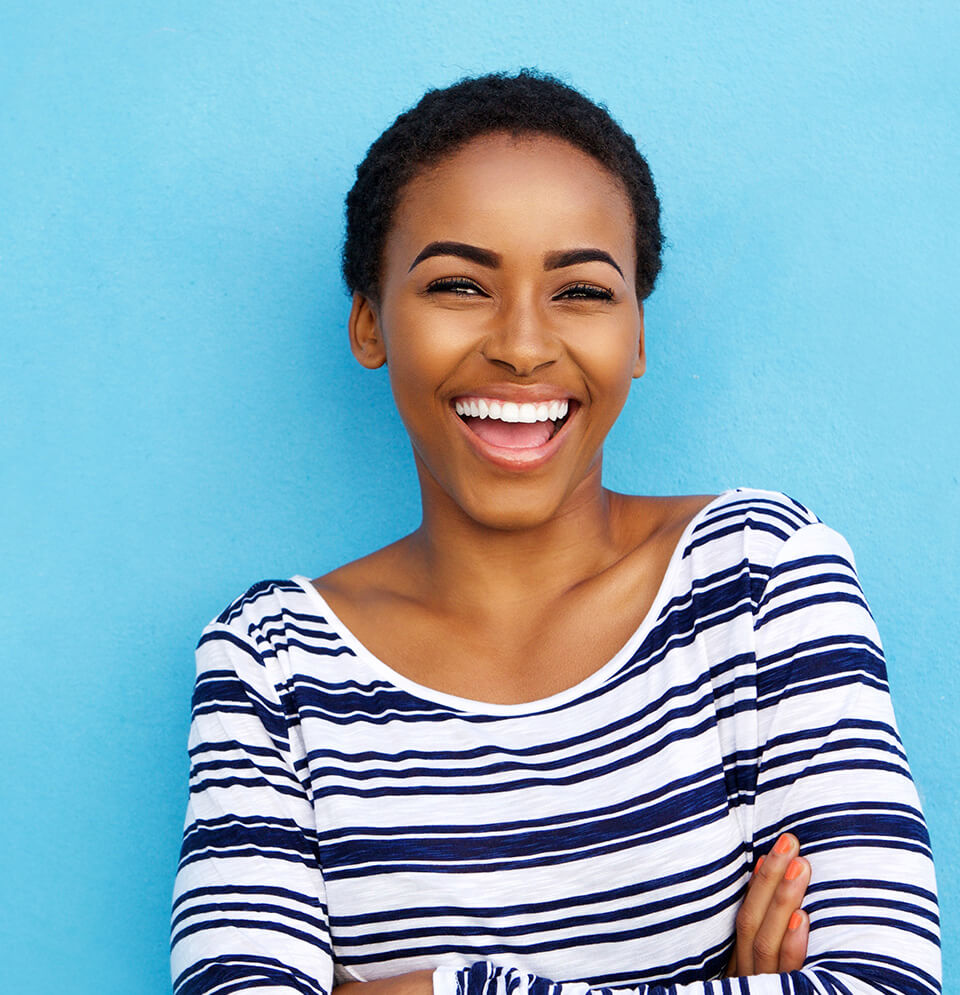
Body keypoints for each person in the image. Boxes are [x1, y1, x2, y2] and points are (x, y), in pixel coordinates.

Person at [170, 71, 940, 994]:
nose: (525, 345)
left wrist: (440, 987)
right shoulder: (272, 664)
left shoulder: (761, 578)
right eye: (458, 283)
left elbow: (887, 982)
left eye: (581, 290)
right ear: (372, 322)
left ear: (639, 336)